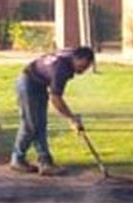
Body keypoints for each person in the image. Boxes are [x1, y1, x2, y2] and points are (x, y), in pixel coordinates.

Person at [11, 45, 95, 176]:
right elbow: (55, 99)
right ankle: (18, 160)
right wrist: (71, 119)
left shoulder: (71, 55)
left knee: (40, 124)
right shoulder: (61, 69)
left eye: (86, 68)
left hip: (38, 83)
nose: (82, 71)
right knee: (31, 125)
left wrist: (72, 117)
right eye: (82, 67)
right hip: (28, 83)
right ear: (76, 58)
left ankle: (44, 162)